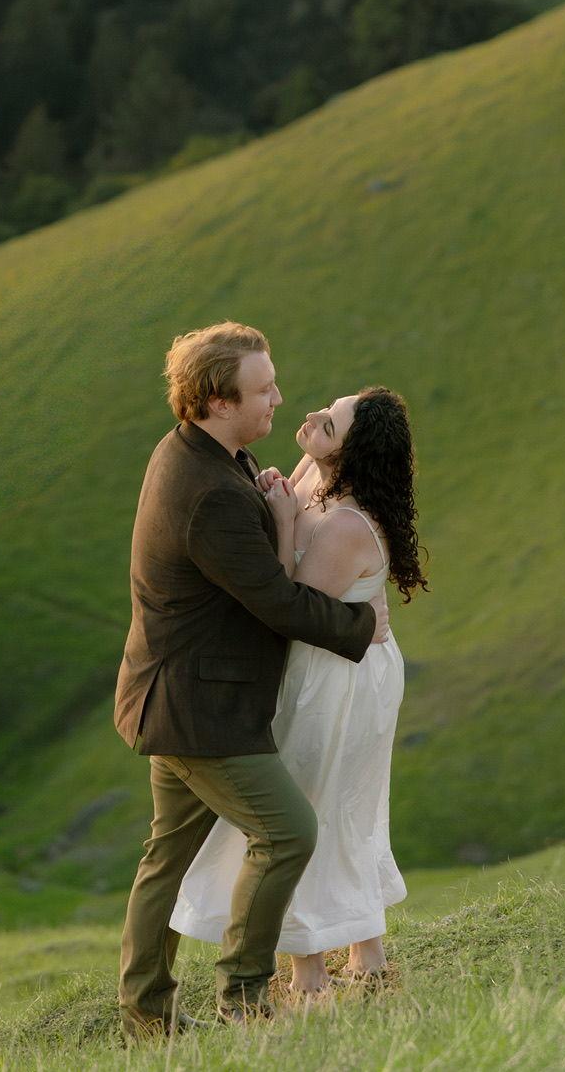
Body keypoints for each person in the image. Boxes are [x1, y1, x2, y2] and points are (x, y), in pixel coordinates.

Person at [114, 323, 391, 1038]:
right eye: (263, 389)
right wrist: (362, 622)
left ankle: (148, 1014)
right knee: (289, 831)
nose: (278, 398)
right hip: (200, 708)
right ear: (216, 400)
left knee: (166, 857)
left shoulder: (201, 453)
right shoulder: (211, 491)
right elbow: (277, 602)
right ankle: (243, 999)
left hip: (175, 695)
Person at [170, 386, 426, 999]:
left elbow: (288, 604)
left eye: (330, 424)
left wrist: (283, 520)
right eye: (327, 409)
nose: (312, 417)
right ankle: (365, 955)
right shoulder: (316, 467)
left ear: (348, 456)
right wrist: (282, 499)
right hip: (326, 662)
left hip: (339, 675)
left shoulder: (346, 524)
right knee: (327, 805)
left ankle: (311, 973)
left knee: (321, 806)